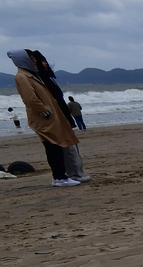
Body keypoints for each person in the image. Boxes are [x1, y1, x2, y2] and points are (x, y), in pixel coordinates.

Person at [8, 49, 85, 185]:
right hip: (44, 118)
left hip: (49, 117)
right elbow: (30, 99)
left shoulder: (31, 75)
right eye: (32, 59)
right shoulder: (22, 77)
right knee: (53, 147)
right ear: (24, 60)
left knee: (55, 147)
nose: (35, 61)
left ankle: (61, 176)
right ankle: (59, 178)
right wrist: (45, 110)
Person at [30, 50, 88, 182]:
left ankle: (76, 173)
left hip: (62, 115)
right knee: (67, 147)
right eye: (41, 62)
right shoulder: (39, 80)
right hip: (56, 117)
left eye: (44, 61)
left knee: (71, 147)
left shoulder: (48, 78)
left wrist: (69, 118)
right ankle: (74, 174)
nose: (44, 64)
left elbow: (60, 100)